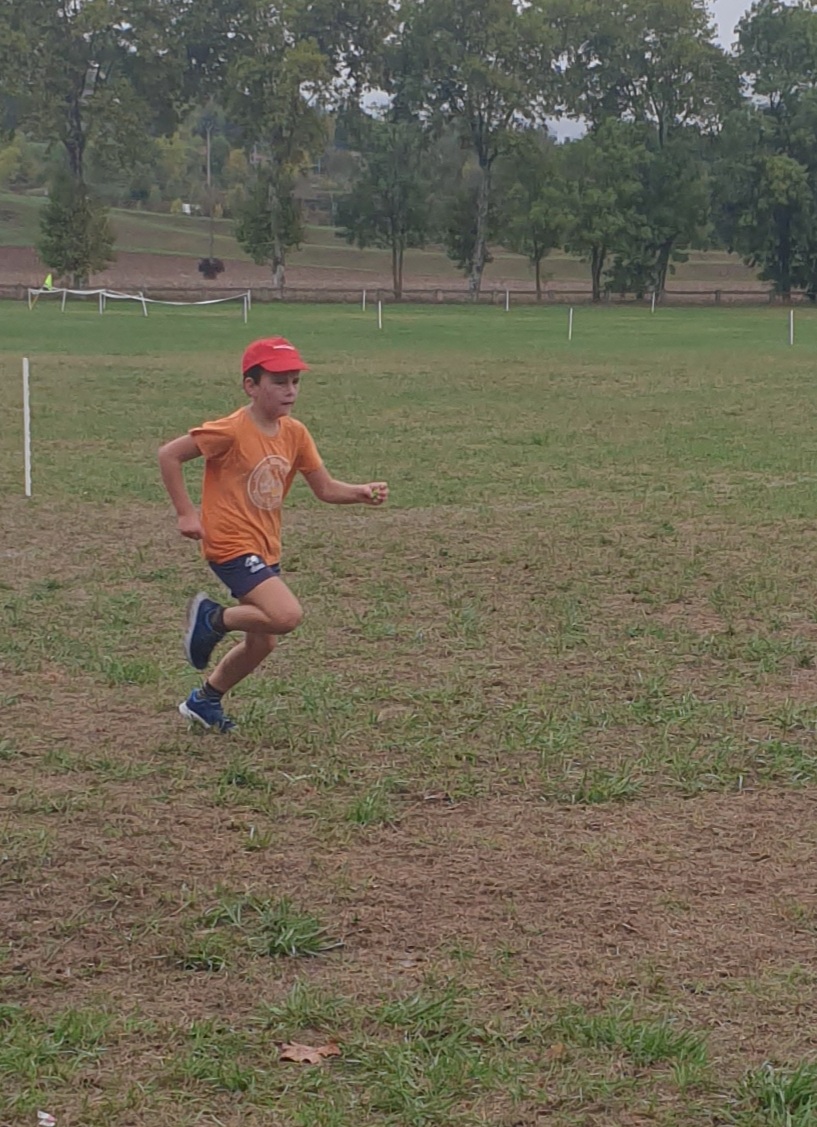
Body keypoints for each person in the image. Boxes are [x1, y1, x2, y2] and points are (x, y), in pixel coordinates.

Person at [158, 336, 388, 732]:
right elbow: (169, 455)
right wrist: (186, 513)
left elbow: (325, 488)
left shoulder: (294, 433)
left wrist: (359, 493)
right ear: (251, 385)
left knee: (262, 641)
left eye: (295, 382)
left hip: (264, 546)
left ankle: (204, 701)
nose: (290, 391)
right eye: (279, 382)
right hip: (230, 543)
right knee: (285, 615)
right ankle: (213, 618)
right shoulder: (231, 430)